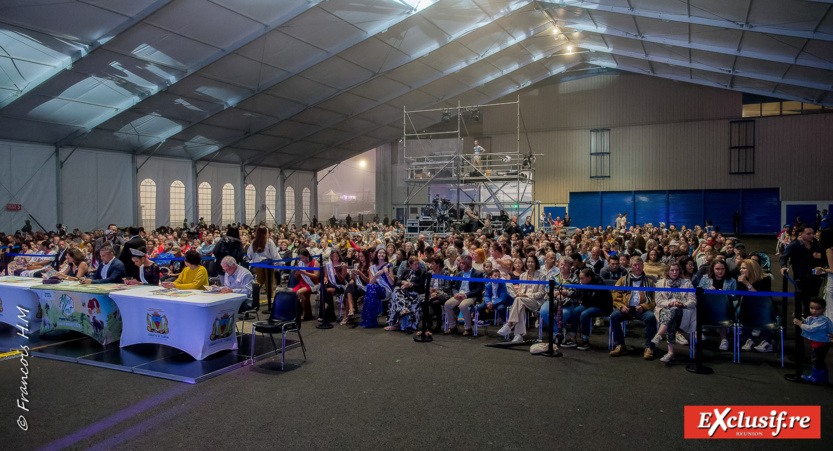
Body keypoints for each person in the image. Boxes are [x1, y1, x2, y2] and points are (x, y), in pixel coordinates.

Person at [610, 256, 658, 359]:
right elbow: (616, 296)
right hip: (626, 308)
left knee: (651, 318)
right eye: (635, 265)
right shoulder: (622, 280)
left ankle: (649, 347)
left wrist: (644, 306)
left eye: (640, 265)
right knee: (614, 316)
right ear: (631, 266)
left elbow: (654, 301)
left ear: (643, 266)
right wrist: (621, 306)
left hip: (641, 309)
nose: (638, 267)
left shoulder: (650, 282)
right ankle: (620, 344)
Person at [652, 262, 696, 362]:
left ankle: (659, 335)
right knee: (671, 315)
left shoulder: (687, 283)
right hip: (665, 310)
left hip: (683, 311)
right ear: (667, 271)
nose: (674, 272)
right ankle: (670, 352)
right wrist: (670, 303)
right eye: (672, 270)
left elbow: (693, 301)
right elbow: (659, 301)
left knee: (673, 312)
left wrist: (683, 304)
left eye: (676, 270)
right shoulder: (660, 283)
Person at [498, 255, 546, 342]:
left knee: (519, 300)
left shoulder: (541, 276)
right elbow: (520, 291)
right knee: (520, 305)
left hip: (535, 302)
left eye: (532, 262)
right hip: (522, 301)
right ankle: (518, 335)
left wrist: (527, 295)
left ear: (536, 263)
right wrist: (519, 294)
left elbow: (541, 294)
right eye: (528, 262)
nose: (530, 264)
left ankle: (509, 324)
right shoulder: (523, 275)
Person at [780, 226, 823, 319]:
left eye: (812, 233)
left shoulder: (816, 245)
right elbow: (784, 257)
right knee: (803, 299)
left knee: (813, 300)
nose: (811, 235)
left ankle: (810, 319)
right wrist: (784, 267)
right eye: (808, 233)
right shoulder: (794, 245)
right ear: (801, 234)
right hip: (800, 277)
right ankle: (801, 320)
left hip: (815, 277)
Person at [698, 259, 737, 351]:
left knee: (721, 310)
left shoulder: (731, 280)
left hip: (724, 308)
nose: (720, 271)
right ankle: (698, 332)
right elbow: (699, 294)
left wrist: (725, 294)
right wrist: (707, 291)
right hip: (707, 307)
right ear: (713, 269)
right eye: (717, 269)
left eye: (722, 269)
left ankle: (724, 339)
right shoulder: (705, 278)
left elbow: (735, 297)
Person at [738, 259, 775, 352]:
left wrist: (747, 284)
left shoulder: (765, 279)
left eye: (744, 268)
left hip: (764, 308)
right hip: (748, 308)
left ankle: (767, 342)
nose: (741, 270)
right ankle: (748, 340)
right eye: (741, 268)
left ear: (751, 269)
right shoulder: (741, 280)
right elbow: (738, 296)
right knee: (744, 307)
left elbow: (759, 297)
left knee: (761, 312)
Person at [793, 297, 833, 384]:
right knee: (818, 361)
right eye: (812, 308)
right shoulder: (812, 317)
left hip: (820, 344)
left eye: (818, 309)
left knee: (816, 360)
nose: (814, 311)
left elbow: (811, 328)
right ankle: (823, 377)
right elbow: (807, 322)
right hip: (817, 343)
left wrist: (800, 323)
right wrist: (801, 319)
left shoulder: (822, 320)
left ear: (823, 309)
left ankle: (815, 377)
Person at [444, 254, 485, 336]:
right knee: (447, 304)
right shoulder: (459, 274)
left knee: (463, 305)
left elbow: (479, 289)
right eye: (460, 262)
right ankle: (452, 327)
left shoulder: (477, 274)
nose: (460, 264)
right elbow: (454, 287)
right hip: (459, 294)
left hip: (471, 296)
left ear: (469, 264)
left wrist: (466, 295)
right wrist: (455, 294)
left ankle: (468, 328)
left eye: (463, 263)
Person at [571, 268, 613, 351]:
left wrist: (585, 300)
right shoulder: (584, 284)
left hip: (602, 307)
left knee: (584, 314)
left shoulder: (599, 284)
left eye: (582, 278)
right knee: (576, 311)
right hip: (589, 304)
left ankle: (585, 340)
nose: (580, 280)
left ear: (589, 278)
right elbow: (582, 299)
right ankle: (573, 338)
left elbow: (598, 301)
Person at [386, 256, 426, 331]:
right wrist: (403, 282)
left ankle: (395, 323)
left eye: (418, 264)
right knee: (396, 291)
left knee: (396, 296)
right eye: (415, 264)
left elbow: (421, 285)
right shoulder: (406, 271)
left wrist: (411, 284)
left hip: (414, 293)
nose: (417, 266)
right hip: (403, 292)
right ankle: (403, 310)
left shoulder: (422, 272)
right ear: (410, 264)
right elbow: (397, 281)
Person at [360, 249, 394, 328]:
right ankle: (371, 319)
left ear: (385, 255)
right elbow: (371, 282)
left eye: (383, 253)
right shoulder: (372, 267)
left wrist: (386, 272)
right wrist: (377, 275)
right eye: (380, 253)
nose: (382, 254)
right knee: (371, 288)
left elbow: (392, 283)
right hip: (375, 289)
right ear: (377, 255)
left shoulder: (389, 265)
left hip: (386, 290)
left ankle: (370, 319)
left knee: (371, 289)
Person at [247, 226, 280, 301]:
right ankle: (270, 299)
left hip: (258, 264)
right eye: (267, 232)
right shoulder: (269, 241)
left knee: (259, 282)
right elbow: (274, 254)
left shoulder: (253, 242)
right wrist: (280, 262)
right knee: (269, 282)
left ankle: (252, 296)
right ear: (265, 233)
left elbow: (249, 254)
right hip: (268, 264)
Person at [293, 249, 320, 321]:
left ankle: (304, 312)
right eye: (300, 258)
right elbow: (296, 277)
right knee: (292, 293)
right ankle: (298, 312)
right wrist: (296, 272)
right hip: (302, 283)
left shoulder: (315, 263)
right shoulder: (300, 263)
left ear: (307, 256)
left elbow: (316, 276)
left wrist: (304, 273)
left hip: (312, 284)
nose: (301, 259)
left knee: (299, 292)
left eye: (303, 258)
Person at [322, 250, 347, 323]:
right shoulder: (328, 265)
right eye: (333, 256)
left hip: (339, 286)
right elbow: (325, 276)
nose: (335, 258)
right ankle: (328, 314)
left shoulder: (343, 265)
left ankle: (326, 314)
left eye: (337, 256)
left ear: (339, 257)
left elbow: (342, 280)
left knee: (325, 291)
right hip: (330, 284)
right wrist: (325, 279)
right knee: (324, 289)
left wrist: (337, 271)